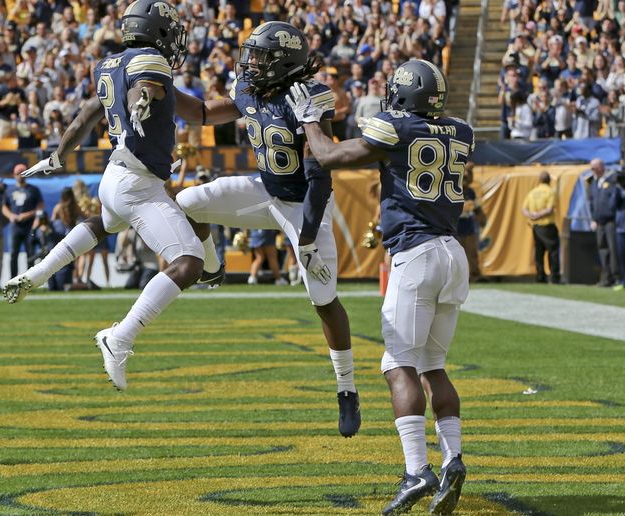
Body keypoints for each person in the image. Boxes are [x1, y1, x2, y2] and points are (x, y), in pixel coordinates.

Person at [287, 59, 471, 515]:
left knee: (397, 365)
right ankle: (453, 458)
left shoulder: (396, 127)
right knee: (434, 366)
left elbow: (329, 156)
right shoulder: (461, 131)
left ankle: (416, 470)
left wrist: (311, 121)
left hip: (416, 252)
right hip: (453, 253)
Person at [3, 0, 205, 393]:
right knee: (189, 262)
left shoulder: (110, 65)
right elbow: (144, 88)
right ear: (157, 30)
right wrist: (141, 101)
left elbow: (83, 118)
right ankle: (120, 337)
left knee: (103, 224)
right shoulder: (151, 60)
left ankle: (38, 273)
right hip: (137, 183)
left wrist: (58, 156)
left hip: (115, 175)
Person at [174, 21, 362, 438]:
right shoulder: (250, 89)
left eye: (259, 56)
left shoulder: (306, 97)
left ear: (283, 61)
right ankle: (211, 266)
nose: (251, 63)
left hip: (303, 204)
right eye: (251, 54)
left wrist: (308, 237)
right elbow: (206, 113)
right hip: (265, 190)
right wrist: (160, 88)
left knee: (323, 297)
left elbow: (321, 176)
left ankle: (346, 389)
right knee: (187, 202)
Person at [3, 164, 44, 279]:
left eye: (22, 173)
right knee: (13, 254)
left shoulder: (33, 190)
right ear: (14, 175)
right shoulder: (9, 190)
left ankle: (30, 280)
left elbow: (40, 206)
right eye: (18, 173)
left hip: (29, 226)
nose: (20, 176)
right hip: (15, 226)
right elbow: (4, 207)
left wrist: (28, 215)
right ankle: (13, 280)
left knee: (30, 254)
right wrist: (10, 215)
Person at [522, 171, 560, 284]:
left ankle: (540, 277)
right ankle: (554, 277)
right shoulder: (550, 192)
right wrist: (539, 215)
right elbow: (549, 210)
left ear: (540, 180)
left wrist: (532, 216)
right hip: (547, 226)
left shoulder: (532, 192)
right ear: (549, 180)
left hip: (536, 227)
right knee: (552, 252)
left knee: (539, 252)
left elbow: (523, 209)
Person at [587, 158, 619, 286]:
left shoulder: (611, 180)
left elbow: (614, 200)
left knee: (613, 249)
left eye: (594, 167)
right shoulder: (593, 183)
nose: (593, 170)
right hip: (599, 222)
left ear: (601, 167)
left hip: (610, 220)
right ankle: (606, 277)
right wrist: (593, 218)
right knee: (602, 249)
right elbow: (591, 202)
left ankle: (616, 276)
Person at [456, 162, 485, 281]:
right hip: (455, 229)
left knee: (472, 253)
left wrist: (482, 218)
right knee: (456, 255)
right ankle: (457, 277)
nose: (466, 179)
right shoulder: (454, 190)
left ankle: (474, 274)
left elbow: (477, 207)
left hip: (468, 228)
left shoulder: (470, 192)